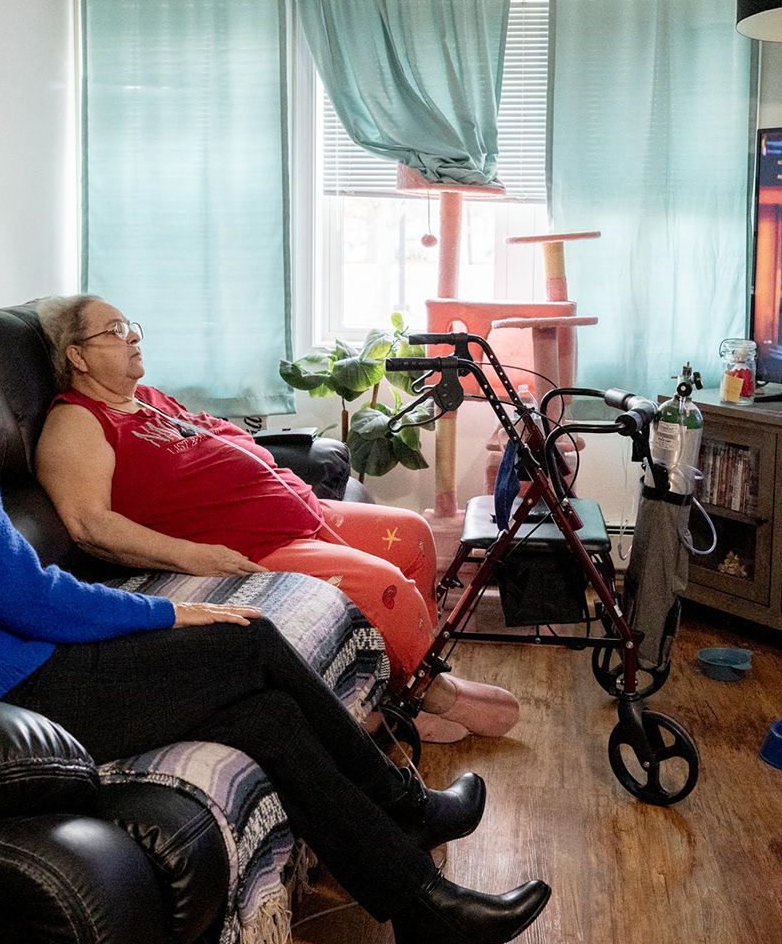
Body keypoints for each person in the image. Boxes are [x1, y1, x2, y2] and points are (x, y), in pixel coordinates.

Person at [0, 282, 549, 944]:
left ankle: (419, 905)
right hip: (1, 694)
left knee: (266, 718)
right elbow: (32, 600)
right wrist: (168, 611)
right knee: (246, 639)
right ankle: (407, 817)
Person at [31, 294, 518, 744]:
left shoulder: (151, 399)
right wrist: (196, 557)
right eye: (115, 330)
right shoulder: (76, 421)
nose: (133, 336)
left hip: (297, 514)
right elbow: (89, 525)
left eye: (130, 326)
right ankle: (433, 691)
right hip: (251, 545)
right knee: (382, 584)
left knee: (412, 533)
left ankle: (398, 689)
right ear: (77, 355)